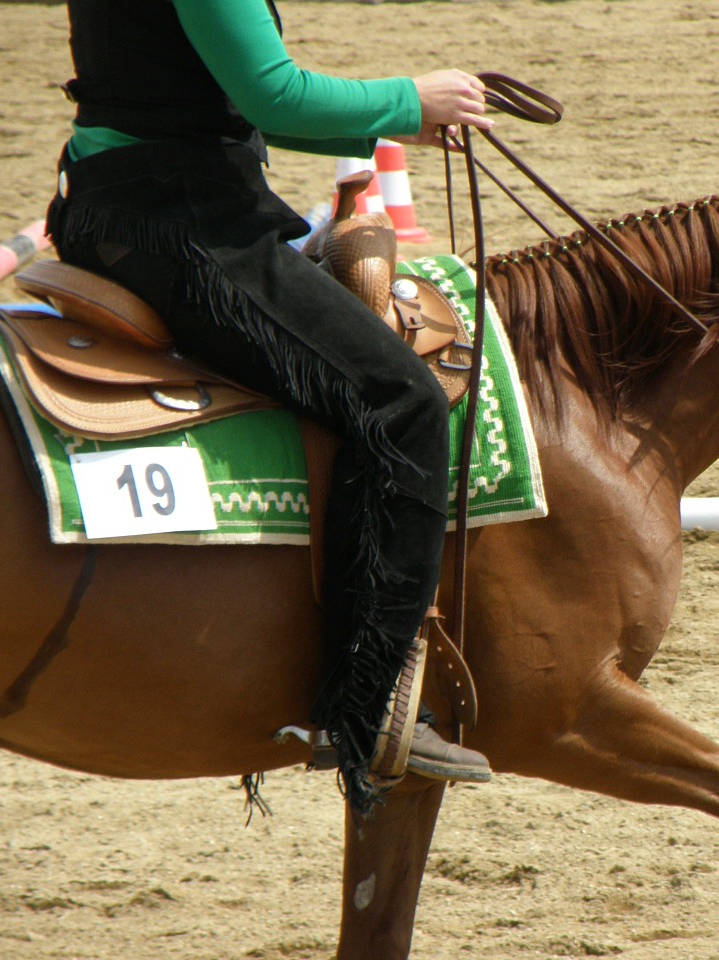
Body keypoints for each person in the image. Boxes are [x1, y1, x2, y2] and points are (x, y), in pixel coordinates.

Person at [45, 0, 494, 813]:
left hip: (121, 199)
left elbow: (208, 96)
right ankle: (365, 711)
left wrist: (395, 125)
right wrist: (409, 99)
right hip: (184, 222)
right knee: (402, 403)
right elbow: (271, 95)